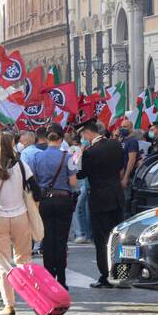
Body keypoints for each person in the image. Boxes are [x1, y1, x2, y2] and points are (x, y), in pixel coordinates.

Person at [0, 131, 37, 315]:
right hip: (21, 216)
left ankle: (9, 305)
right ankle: (33, 299)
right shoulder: (21, 164)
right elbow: (37, 191)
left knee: (3, 264)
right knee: (24, 261)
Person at [78, 121, 126, 289]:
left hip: (99, 198)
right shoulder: (116, 145)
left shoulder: (90, 152)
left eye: (83, 134)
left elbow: (81, 174)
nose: (82, 138)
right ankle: (121, 273)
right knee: (118, 237)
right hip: (116, 195)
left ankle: (105, 275)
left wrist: (80, 156)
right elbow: (121, 166)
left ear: (88, 133)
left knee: (102, 239)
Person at [30, 125, 77, 288]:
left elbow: (34, 181)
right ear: (61, 139)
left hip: (45, 200)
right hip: (63, 199)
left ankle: (48, 278)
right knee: (61, 240)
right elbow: (73, 182)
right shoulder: (68, 156)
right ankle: (62, 280)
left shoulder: (37, 157)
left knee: (48, 239)